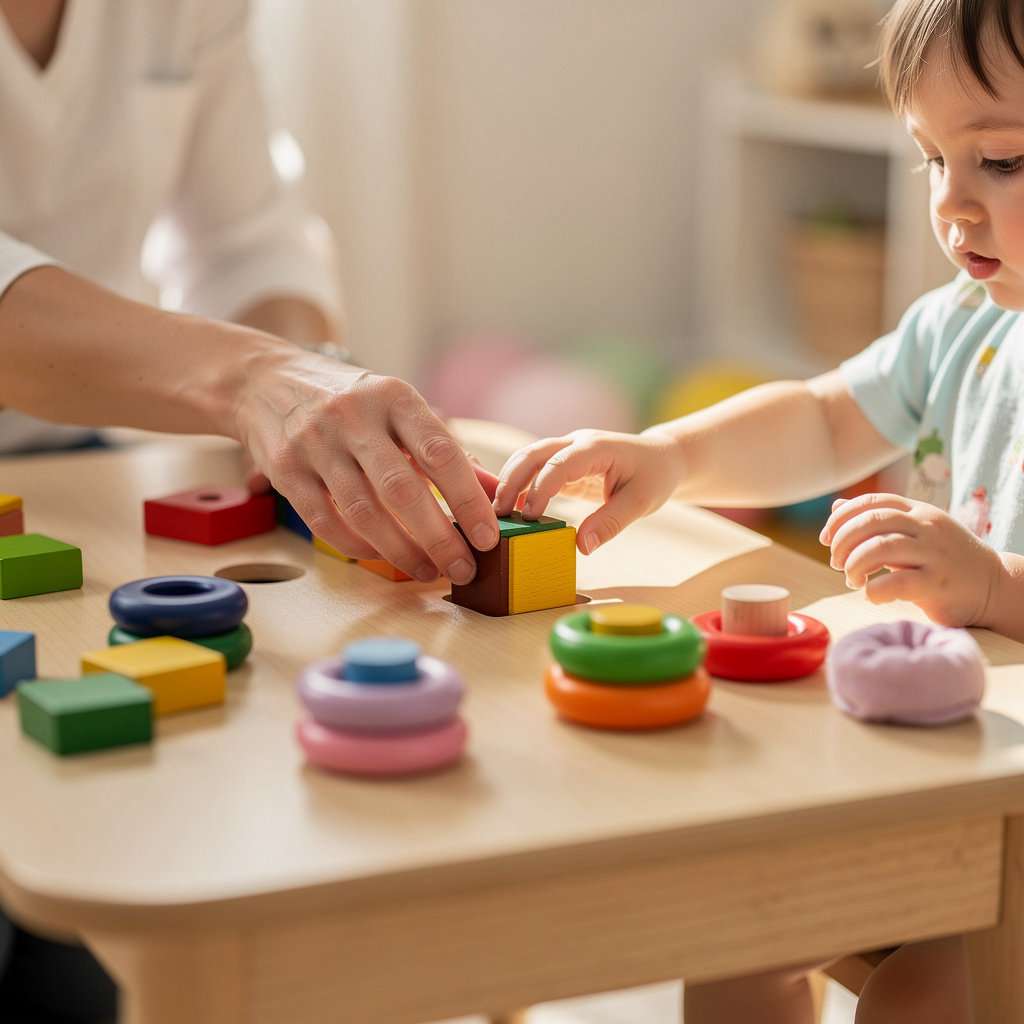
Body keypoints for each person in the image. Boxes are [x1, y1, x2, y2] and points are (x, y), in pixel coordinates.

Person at [494, 0, 1024, 1020]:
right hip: (949, 762)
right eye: (928, 159)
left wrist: (996, 584)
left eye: (999, 162)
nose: (952, 204)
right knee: (738, 933)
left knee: (915, 1003)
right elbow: (826, 422)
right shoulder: (963, 324)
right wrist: (672, 453)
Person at [0, 2, 499, 1020]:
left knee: (137, 872)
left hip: (74, 470)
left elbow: (244, 239)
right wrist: (258, 379)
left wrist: (306, 397)